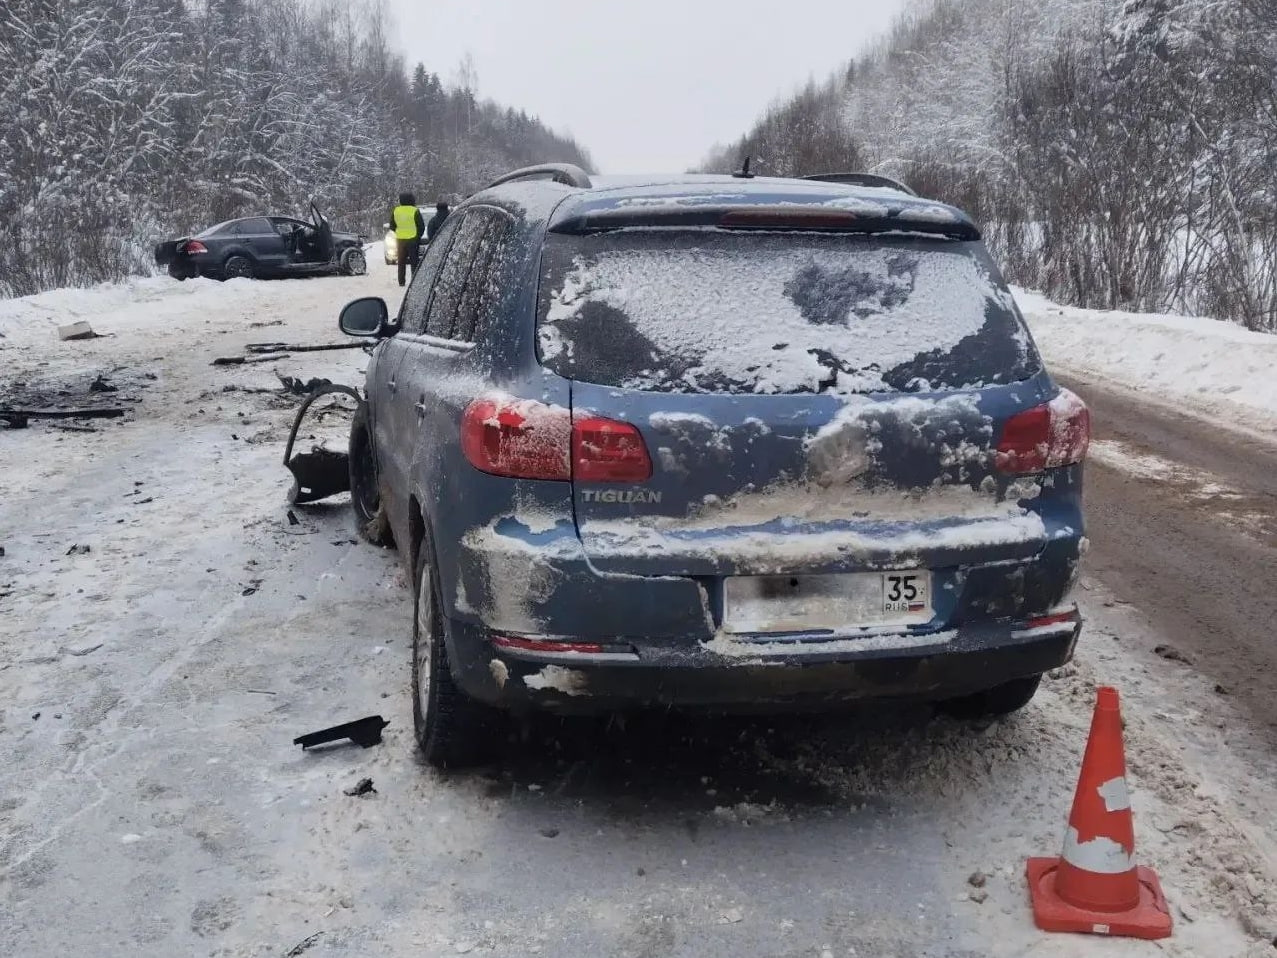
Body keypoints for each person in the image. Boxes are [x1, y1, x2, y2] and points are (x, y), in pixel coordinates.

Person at [390, 191, 425, 287]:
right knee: (414, 261)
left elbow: (392, 226)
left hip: (400, 240)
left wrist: (398, 232)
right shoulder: (415, 210)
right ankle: (415, 281)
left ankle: (401, 281)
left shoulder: (396, 210)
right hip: (413, 240)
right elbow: (421, 226)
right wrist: (417, 236)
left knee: (401, 262)